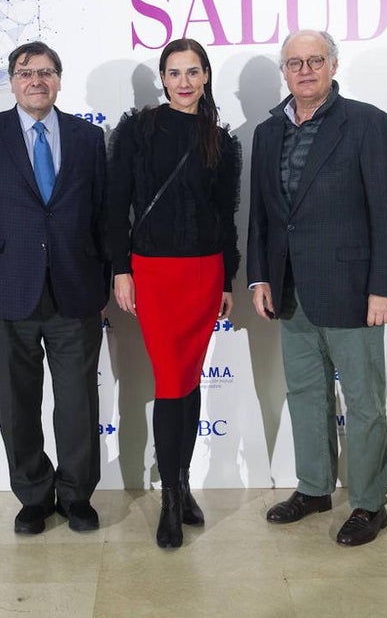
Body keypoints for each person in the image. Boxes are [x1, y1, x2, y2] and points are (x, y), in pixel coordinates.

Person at [247, 29, 387, 546]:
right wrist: (260, 277)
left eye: (315, 60)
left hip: (354, 290)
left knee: (363, 401)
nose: (304, 70)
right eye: (294, 62)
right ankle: (314, 488)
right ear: (285, 71)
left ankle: (368, 503)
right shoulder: (268, 131)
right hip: (290, 290)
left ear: (333, 65)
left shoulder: (368, 123)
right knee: (305, 394)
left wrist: (384, 286)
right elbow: (262, 217)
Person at [0, 41, 108, 535]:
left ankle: (77, 496)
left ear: (59, 79)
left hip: (75, 293)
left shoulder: (88, 137)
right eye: (24, 72)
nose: (35, 80)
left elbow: (102, 218)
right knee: (17, 403)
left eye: (44, 72)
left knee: (78, 402)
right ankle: (34, 496)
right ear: (12, 82)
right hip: (3, 291)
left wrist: (103, 287)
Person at [104, 38, 241, 549]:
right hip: (154, 272)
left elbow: (226, 216)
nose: (183, 81)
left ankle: (182, 487)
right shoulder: (139, 130)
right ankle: (170, 499)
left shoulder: (222, 141)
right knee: (170, 380)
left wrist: (227, 279)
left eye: (193, 71)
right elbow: (116, 206)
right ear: (163, 79)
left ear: (206, 77)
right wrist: (121, 269)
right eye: (174, 72)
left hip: (205, 274)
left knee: (188, 378)